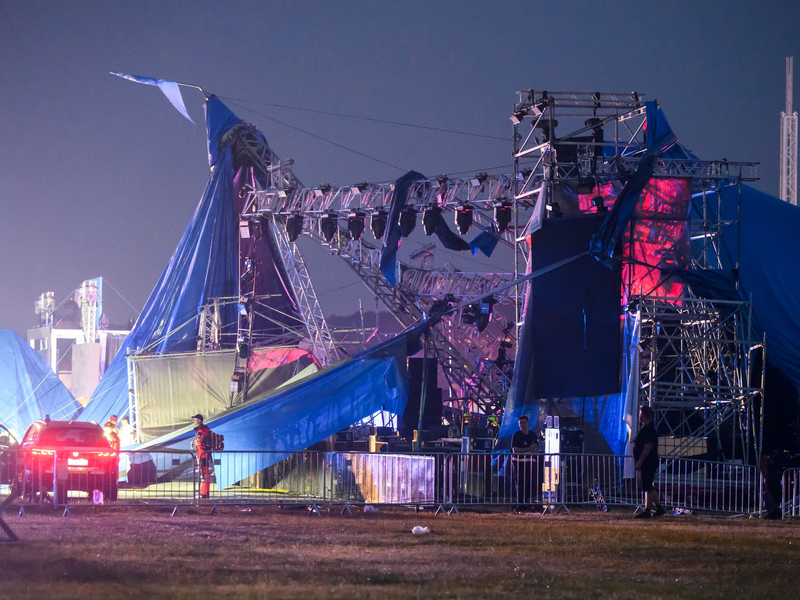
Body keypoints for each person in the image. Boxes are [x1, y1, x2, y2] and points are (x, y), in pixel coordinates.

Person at [633, 405, 665, 518]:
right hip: (648, 461)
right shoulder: (647, 429)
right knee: (648, 485)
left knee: (647, 486)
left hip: (648, 461)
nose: (639, 415)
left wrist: (640, 461)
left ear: (644, 415)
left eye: (640, 413)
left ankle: (647, 510)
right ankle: (659, 507)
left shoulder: (649, 430)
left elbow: (648, 447)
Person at [511, 415, 540, 507]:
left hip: (530, 463)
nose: (522, 425)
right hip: (519, 463)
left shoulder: (532, 435)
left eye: (524, 423)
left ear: (528, 423)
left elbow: (537, 448)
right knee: (520, 484)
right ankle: (520, 505)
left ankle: (528, 504)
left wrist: (534, 451)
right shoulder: (517, 435)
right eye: (520, 423)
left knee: (530, 484)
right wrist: (528, 449)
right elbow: (515, 450)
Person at [192, 414, 213, 499]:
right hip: (205, 454)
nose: (194, 421)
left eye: (195, 419)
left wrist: (194, 442)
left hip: (202, 455)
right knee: (206, 474)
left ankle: (203, 494)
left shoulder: (201, 431)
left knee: (204, 475)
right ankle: (205, 492)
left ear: (199, 420)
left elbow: (199, 442)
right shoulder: (205, 429)